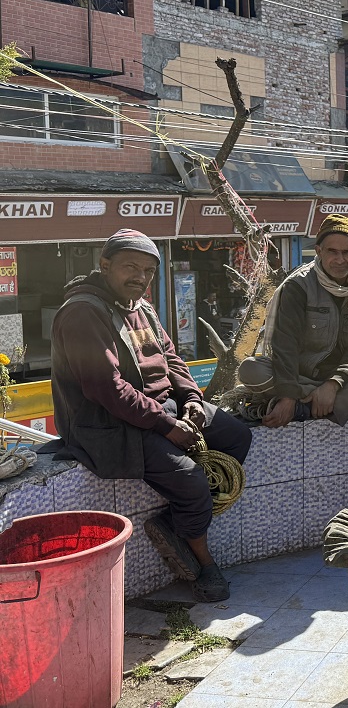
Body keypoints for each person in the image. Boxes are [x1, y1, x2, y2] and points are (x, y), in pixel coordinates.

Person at [50, 229, 252, 602]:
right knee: (191, 481)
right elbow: (107, 388)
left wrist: (191, 398)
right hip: (110, 423)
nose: (140, 277)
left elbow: (171, 357)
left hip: (160, 407)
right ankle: (202, 560)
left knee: (237, 435)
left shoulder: (141, 307)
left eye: (148, 270)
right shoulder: (83, 312)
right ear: (105, 265)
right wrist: (166, 426)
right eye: (131, 267)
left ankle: (178, 522)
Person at [238, 215, 348, 428]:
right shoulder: (298, 286)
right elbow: (285, 345)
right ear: (319, 251)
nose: (340, 260)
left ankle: (307, 407)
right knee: (250, 369)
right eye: (332, 251)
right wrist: (288, 397)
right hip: (299, 375)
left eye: (347, 252)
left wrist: (333, 384)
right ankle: (346, 404)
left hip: (343, 380)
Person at [197, 290, 223, 359]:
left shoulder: (216, 304)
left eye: (215, 296)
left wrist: (219, 316)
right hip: (207, 326)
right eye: (212, 296)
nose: (214, 298)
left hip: (216, 325)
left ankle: (216, 354)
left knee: (217, 339)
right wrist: (212, 318)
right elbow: (202, 316)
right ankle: (207, 355)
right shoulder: (203, 305)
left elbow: (220, 311)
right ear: (208, 297)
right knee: (208, 340)